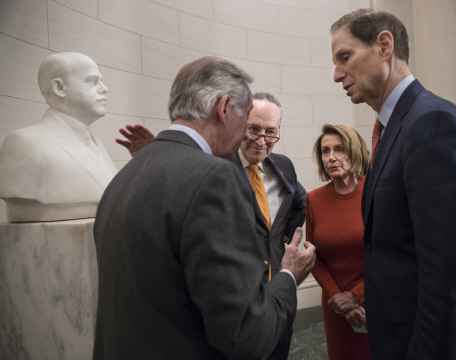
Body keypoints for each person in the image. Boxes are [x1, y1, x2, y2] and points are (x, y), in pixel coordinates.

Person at [92, 56, 316, 360]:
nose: (251, 136)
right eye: (246, 117)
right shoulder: (215, 177)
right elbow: (247, 335)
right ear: (224, 108)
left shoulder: (125, 175)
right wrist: (289, 274)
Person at [330, 9, 456, 359]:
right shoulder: (396, 127)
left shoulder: (432, 122)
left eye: (345, 57)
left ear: (384, 45)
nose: (337, 75)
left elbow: (447, 274)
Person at [0, 52, 116, 222]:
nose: (104, 89)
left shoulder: (98, 145)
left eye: (102, 81)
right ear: (59, 88)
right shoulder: (23, 143)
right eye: (92, 81)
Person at [306, 124, 371, 360]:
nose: (331, 157)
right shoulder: (313, 199)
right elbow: (314, 256)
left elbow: (389, 253)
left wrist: (356, 296)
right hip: (335, 305)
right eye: (325, 151)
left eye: (339, 149)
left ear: (354, 152)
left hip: (375, 297)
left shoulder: (376, 193)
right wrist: (338, 298)